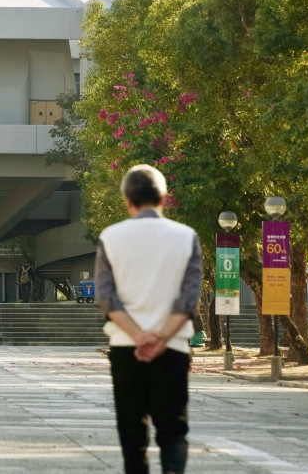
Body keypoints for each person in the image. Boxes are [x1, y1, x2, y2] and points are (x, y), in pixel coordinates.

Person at [95, 164, 201, 474]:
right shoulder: (186, 237)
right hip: (173, 347)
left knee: (132, 433)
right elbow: (188, 299)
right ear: (164, 198)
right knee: (173, 430)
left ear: (127, 200)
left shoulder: (110, 237)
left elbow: (106, 297)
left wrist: (140, 336)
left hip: (126, 346)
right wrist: (160, 338)